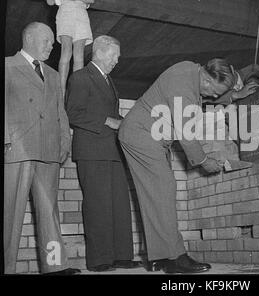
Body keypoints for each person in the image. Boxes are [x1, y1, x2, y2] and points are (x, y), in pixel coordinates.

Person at [118, 58, 236, 273]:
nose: (213, 97)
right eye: (214, 93)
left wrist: (235, 95)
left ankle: (159, 257)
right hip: (142, 134)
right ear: (208, 81)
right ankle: (175, 259)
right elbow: (187, 135)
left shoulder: (190, 71)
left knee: (156, 194)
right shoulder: (184, 86)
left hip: (145, 134)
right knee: (163, 189)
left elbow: (198, 105)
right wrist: (203, 161)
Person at [4, 22, 79, 275]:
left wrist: (64, 142)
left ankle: (55, 266)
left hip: (49, 151)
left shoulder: (55, 75)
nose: (51, 46)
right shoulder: (6, 65)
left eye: (52, 42)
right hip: (17, 148)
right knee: (9, 214)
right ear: (28, 37)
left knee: (50, 214)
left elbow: (61, 113)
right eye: (46, 40)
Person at [65, 35, 139, 272]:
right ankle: (99, 260)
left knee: (119, 204)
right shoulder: (80, 77)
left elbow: (115, 118)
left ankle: (122, 255)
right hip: (91, 151)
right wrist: (108, 121)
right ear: (98, 52)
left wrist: (130, 125)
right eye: (114, 55)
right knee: (98, 206)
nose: (117, 60)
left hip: (112, 151)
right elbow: (73, 113)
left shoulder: (108, 80)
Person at [46, 0, 96, 96]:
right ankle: (61, 90)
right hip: (65, 14)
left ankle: (76, 91)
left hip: (82, 16)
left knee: (79, 55)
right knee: (66, 51)